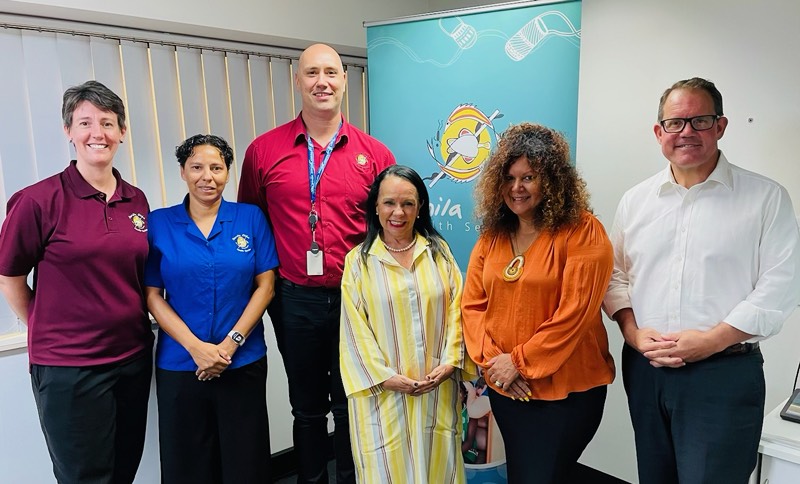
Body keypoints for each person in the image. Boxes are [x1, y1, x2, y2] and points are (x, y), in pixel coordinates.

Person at [603, 77, 800, 484]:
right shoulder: (635, 201)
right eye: (675, 123)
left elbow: (780, 288)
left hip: (723, 375)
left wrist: (711, 341)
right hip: (646, 369)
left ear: (721, 126)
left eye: (700, 120)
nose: (687, 132)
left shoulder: (766, 198)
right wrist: (633, 332)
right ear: (659, 132)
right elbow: (615, 276)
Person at [238, 43, 395, 483]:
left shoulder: (375, 155)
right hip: (293, 299)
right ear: (298, 80)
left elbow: (390, 229)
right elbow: (251, 226)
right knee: (306, 408)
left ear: (345, 80)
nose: (321, 82)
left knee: (351, 404)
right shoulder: (263, 151)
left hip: (354, 297)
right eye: (312, 73)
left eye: (330, 72)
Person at [0, 80, 153, 484]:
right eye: (85, 122)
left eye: (107, 122)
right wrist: (46, 324)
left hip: (132, 359)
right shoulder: (37, 200)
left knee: (123, 470)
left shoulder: (136, 200)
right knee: (85, 477)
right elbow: (9, 276)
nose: (97, 133)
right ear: (68, 131)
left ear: (122, 130)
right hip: (70, 368)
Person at [461, 122, 615, 483]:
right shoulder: (493, 236)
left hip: (566, 394)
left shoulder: (583, 230)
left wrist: (518, 362)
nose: (517, 188)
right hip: (507, 388)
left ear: (552, 180)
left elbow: (576, 313)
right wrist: (492, 364)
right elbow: (472, 304)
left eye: (528, 177)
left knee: (543, 475)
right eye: (509, 178)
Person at [145, 134, 278, 483]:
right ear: (183, 172)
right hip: (180, 363)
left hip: (242, 360)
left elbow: (265, 287)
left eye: (217, 167)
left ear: (228, 172)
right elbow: (152, 295)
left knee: (245, 460)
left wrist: (230, 344)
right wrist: (196, 349)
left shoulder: (250, 219)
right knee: (187, 462)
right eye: (197, 167)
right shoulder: (159, 223)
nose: (208, 176)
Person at [339, 165, 477, 483]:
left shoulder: (439, 254)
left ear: (420, 207)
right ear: (375, 206)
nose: (398, 212)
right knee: (385, 470)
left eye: (408, 203)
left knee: (438, 466)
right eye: (389, 203)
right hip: (381, 395)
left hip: (436, 388)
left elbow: (460, 310)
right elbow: (353, 330)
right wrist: (385, 378)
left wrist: (450, 363)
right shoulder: (358, 262)